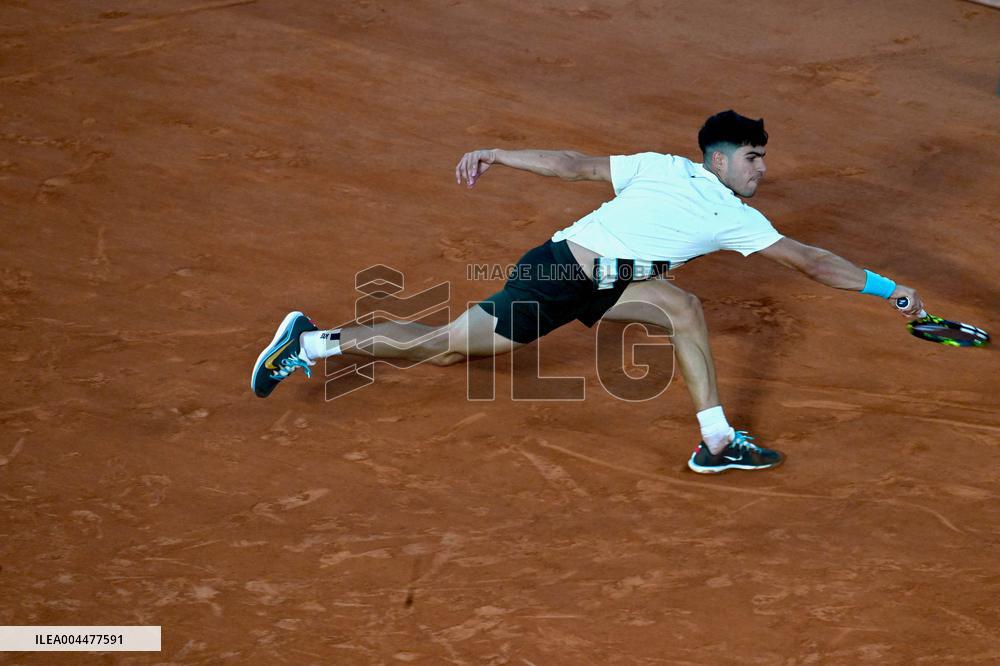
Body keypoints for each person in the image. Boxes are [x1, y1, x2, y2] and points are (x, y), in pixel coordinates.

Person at [251, 110, 923, 474]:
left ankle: (716, 442)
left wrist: (499, 152)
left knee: (683, 306)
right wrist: (890, 290)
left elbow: (577, 167)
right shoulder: (729, 213)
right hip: (557, 277)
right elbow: (808, 260)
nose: (762, 169)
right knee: (444, 349)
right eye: (753, 157)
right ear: (718, 159)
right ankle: (313, 340)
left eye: (763, 157)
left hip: (607, 280)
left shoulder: (663, 168)